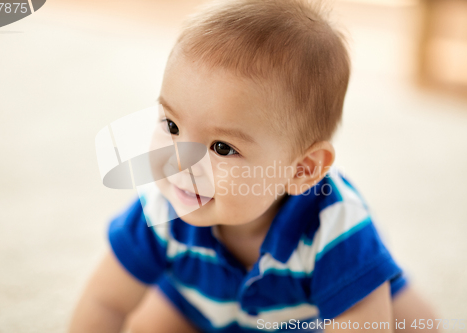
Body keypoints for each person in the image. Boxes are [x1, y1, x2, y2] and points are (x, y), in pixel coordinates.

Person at [69, 0, 438, 331]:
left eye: (221, 148)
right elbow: (105, 302)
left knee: (417, 323)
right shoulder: (161, 208)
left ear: (301, 170)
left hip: (306, 318)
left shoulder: (335, 228)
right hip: (197, 305)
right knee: (146, 324)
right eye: (172, 125)